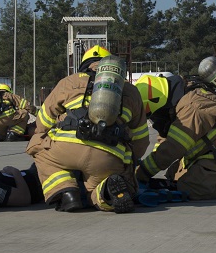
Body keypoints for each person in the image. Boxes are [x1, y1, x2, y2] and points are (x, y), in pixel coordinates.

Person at [26, 45, 149, 213]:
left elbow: (42, 123)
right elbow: (141, 139)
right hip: (109, 155)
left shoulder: (69, 82)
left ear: (84, 65)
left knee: (38, 147)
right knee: (98, 187)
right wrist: (127, 164)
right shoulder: (131, 91)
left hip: (66, 149)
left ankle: (67, 192)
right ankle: (105, 192)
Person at [134, 73, 216, 200]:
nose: (154, 119)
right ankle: (215, 177)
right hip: (207, 150)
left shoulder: (192, 107)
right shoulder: (177, 99)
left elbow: (173, 147)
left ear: (157, 103)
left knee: (191, 188)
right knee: (173, 177)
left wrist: (140, 173)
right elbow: (165, 141)